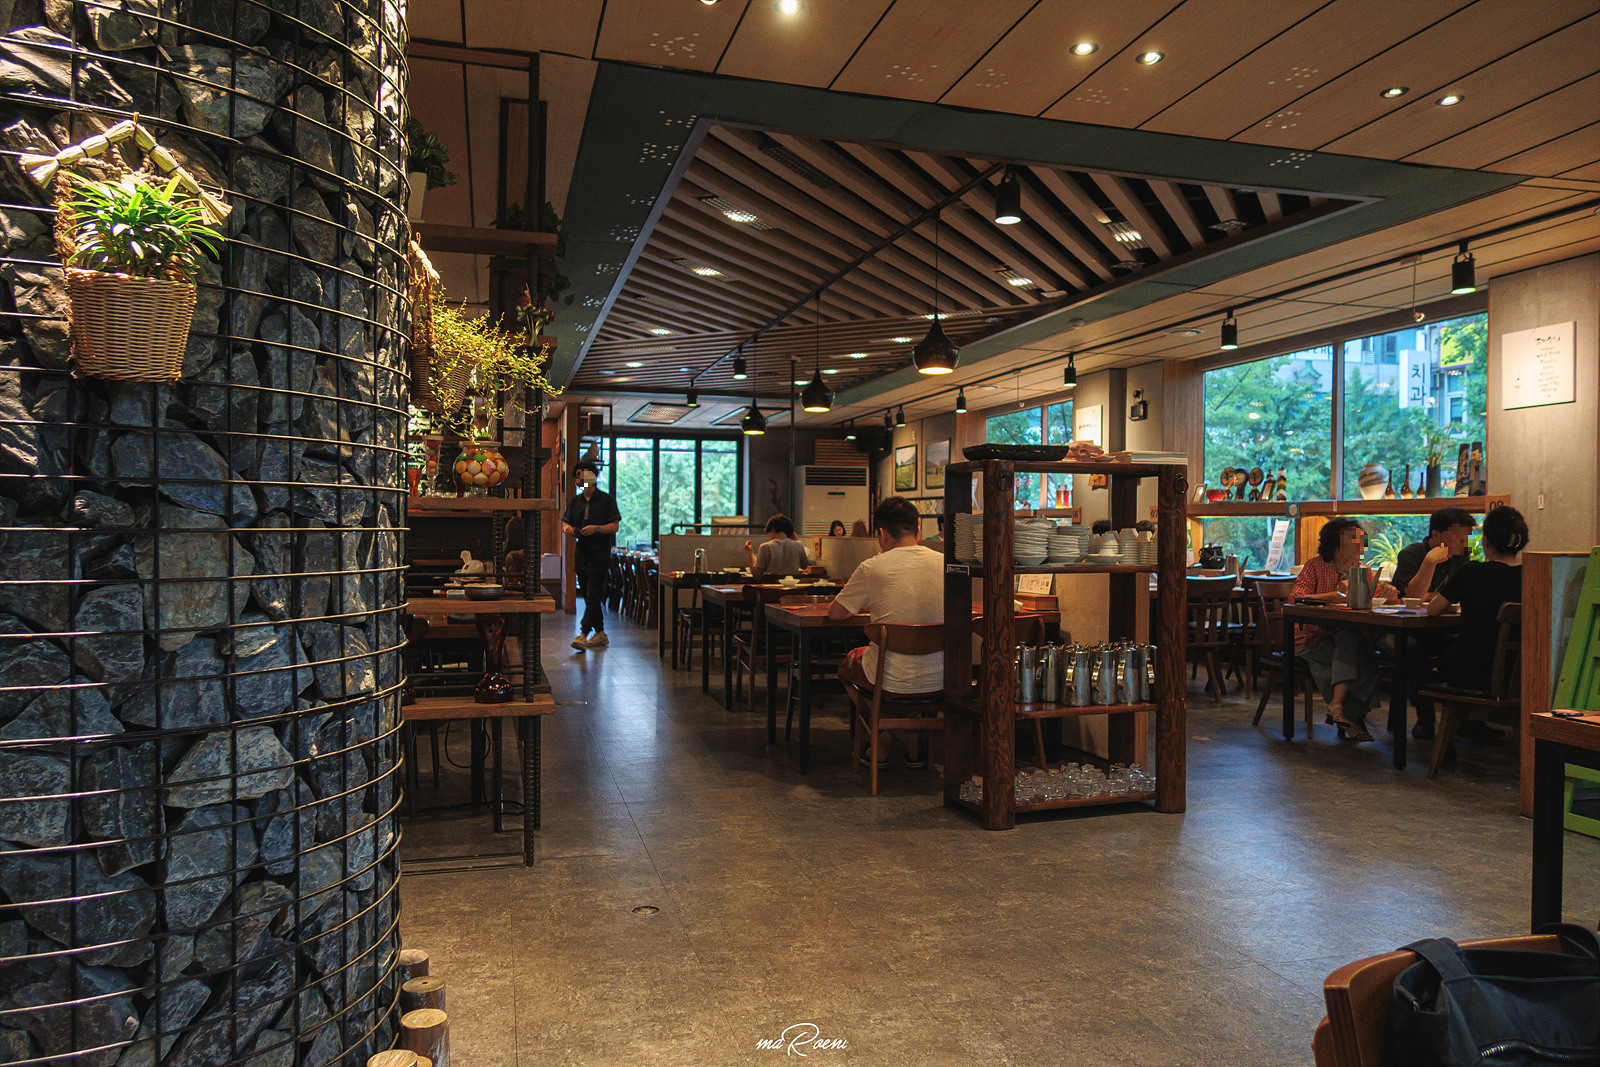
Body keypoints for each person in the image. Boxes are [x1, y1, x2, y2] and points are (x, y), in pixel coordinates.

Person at [830, 496, 944, 769]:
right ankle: (908, 739)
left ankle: (887, 734)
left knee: (847, 667)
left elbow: (836, 613)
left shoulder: (872, 567)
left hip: (889, 681)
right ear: (918, 530)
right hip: (941, 677)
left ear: (881, 534)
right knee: (894, 674)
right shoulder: (946, 564)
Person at [1423, 506, 1528, 743]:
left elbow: (1433, 610)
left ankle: (1431, 732)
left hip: (1473, 674)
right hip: (1518, 677)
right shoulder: (1530, 575)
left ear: (1486, 541)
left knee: (1423, 658)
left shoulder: (1472, 571)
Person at [1289, 517, 1400, 741]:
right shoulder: (1315, 566)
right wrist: (1336, 594)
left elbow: (1380, 596)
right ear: (1335, 544)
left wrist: (1390, 594)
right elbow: (1296, 599)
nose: (1361, 545)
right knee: (1357, 658)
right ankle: (1350, 718)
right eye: (1354, 540)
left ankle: (1338, 707)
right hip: (1311, 636)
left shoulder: (1362, 569)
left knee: (1357, 647)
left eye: (1362, 540)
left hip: (1343, 634)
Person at [560, 461, 620, 650]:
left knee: (594, 594)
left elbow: (615, 526)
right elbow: (565, 523)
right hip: (581, 551)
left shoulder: (606, 499)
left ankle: (583, 633)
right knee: (588, 594)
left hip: (600, 551)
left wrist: (597, 528)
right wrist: (568, 529)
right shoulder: (575, 501)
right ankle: (600, 633)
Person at [1392, 507, 1477, 598]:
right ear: (1435, 535)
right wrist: (1430, 561)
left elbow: (1462, 594)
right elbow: (1414, 596)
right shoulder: (1410, 554)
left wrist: (1427, 596)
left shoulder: (1460, 556)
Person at [745, 514, 810, 578]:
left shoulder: (765, 547)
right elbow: (804, 566)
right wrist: (796, 540)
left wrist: (749, 553)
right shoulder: (798, 545)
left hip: (771, 584)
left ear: (772, 529)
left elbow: (757, 575)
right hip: (793, 584)